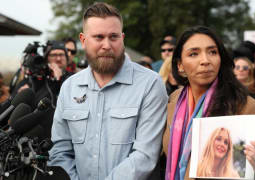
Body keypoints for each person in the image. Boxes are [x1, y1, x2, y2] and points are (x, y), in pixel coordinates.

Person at [48, 2, 168, 180]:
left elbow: (145, 155)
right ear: (83, 40)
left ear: (122, 38)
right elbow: (60, 151)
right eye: (98, 37)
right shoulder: (69, 87)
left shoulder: (150, 84)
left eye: (113, 37)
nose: (107, 45)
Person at [162, 26, 255, 180]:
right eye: (193, 54)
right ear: (180, 65)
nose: (205, 60)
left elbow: (243, 169)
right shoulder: (173, 101)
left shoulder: (243, 106)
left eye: (212, 52)